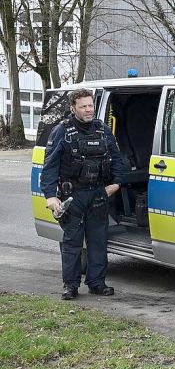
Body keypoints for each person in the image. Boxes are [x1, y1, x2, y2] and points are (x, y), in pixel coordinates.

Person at [41, 88, 124, 300]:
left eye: (90, 106)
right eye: (83, 106)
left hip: (98, 194)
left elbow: (116, 159)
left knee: (98, 241)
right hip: (73, 196)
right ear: (73, 108)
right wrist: (51, 196)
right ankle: (70, 286)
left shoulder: (104, 130)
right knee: (72, 243)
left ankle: (97, 283)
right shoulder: (62, 131)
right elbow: (49, 167)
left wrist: (115, 184)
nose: (89, 110)